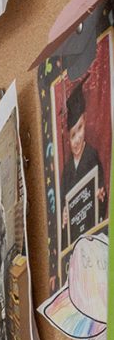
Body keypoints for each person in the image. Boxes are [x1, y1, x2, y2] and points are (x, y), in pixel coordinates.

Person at [60, 78, 107, 251]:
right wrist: (64, 217)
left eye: (80, 128)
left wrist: (101, 195)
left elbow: (102, 195)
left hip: (92, 236)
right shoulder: (66, 173)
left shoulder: (92, 155)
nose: (78, 138)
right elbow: (63, 209)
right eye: (73, 135)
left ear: (85, 121)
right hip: (76, 244)